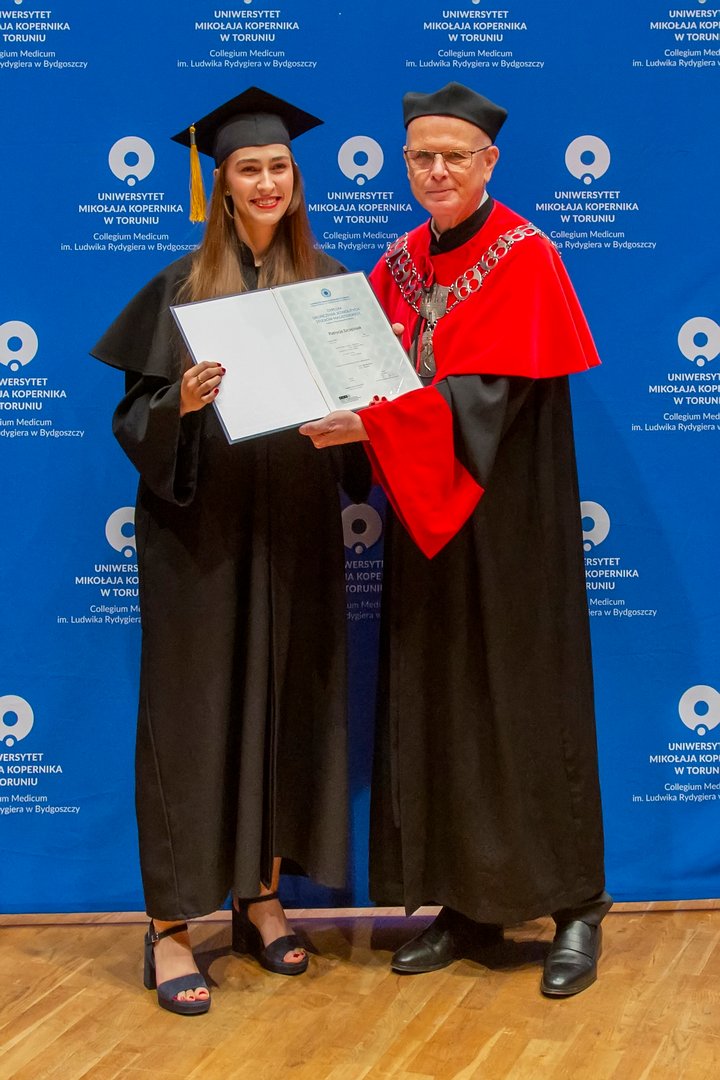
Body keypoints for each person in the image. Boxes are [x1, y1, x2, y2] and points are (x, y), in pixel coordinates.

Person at [301, 82, 611, 997]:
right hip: (426, 522)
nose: (437, 170)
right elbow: (367, 374)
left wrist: (376, 424)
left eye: (454, 156)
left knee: (525, 703)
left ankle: (577, 905)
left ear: (489, 162)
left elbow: (489, 397)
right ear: (406, 164)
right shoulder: (398, 264)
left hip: (510, 527)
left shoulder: (525, 254)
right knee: (440, 703)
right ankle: (469, 905)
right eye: (421, 157)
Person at [91, 87, 368, 1015]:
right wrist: (182, 403)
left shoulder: (328, 286)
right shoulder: (180, 290)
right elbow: (133, 420)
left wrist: (355, 423)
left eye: (279, 167)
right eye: (248, 168)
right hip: (199, 542)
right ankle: (171, 926)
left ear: (296, 179)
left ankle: (261, 898)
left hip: (295, 534)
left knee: (285, 707)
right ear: (220, 182)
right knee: (194, 716)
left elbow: (368, 420)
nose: (266, 182)